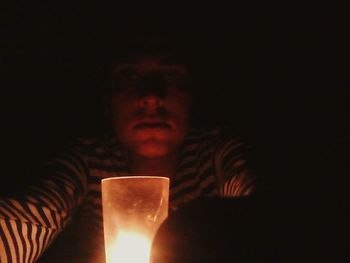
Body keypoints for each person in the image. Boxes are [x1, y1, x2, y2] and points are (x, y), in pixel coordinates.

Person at [0, 34, 256, 263]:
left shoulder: (213, 157)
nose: (152, 96)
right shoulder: (89, 161)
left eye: (172, 76)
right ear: (107, 104)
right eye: (129, 77)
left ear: (193, 98)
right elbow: (35, 210)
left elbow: (258, 208)